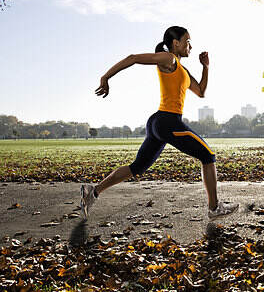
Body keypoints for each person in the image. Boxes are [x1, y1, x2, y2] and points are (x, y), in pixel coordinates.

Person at [81, 26, 239, 220]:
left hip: (159, 123)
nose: (190, 45)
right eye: (187, 41)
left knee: (137, 167)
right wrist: (106, 77)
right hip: (167, 121)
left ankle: (93, 191)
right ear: (176, 43)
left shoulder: (183, 70)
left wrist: (205, 66)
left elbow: (200, 91)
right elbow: (133, 58)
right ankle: (214, 208)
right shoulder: (169, 59)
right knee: (208, 155)